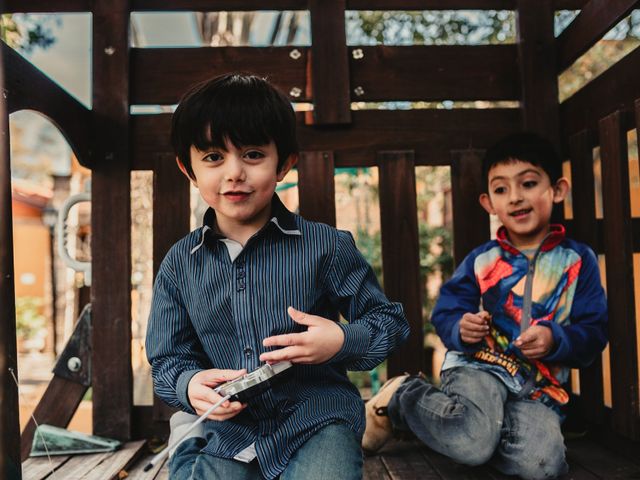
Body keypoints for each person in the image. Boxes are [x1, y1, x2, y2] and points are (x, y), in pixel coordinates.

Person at [145, 73, 409, 480]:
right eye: (214, 157)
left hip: (316, 419)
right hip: (228, 429)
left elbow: (389, 322)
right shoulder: (181, 264)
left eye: (252, 154)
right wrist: (189, 384)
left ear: (284, 163)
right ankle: (187, 438)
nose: (234, 172)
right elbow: (167, 358)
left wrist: (340, 341)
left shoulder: (325, 247)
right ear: (189, 169)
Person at [362, 132, 608, 480]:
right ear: (488, 202)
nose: (516, 197)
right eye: (501, 189)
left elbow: (594, 332)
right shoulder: (483, 261)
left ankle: (477, 433)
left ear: (557, 190)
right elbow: (446, 311)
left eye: (528, 183)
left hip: (537, 389)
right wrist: (461, 326)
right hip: (480, 368)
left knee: (542, 466)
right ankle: (404, 397)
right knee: (473, 442)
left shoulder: (577, 261)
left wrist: (555, 339)